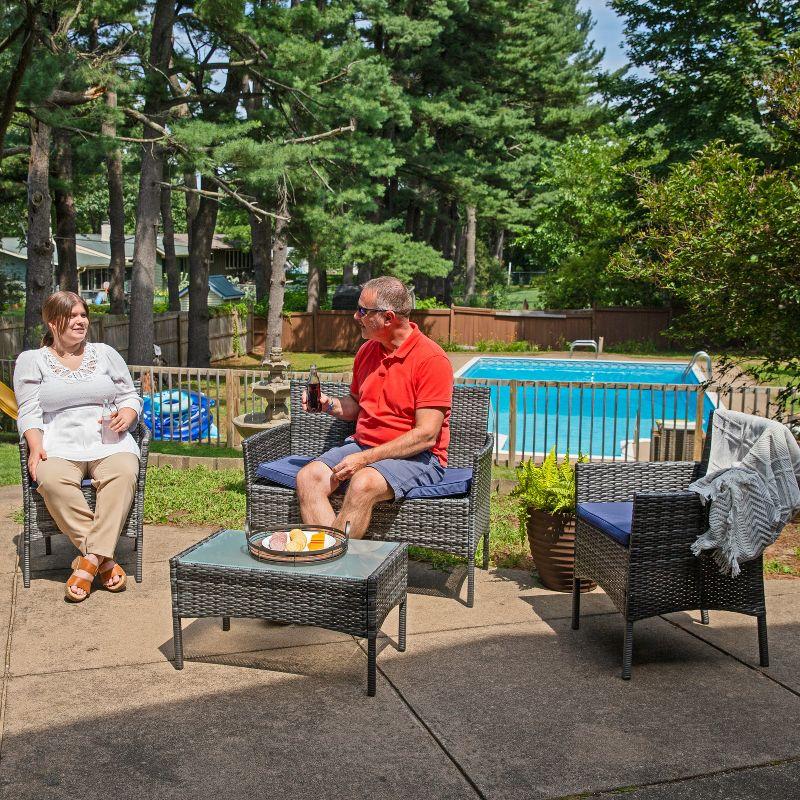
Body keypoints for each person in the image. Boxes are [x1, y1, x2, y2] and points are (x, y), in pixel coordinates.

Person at [296, 276, 454, 539]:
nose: (356, 317)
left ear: (388, 318)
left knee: (362, 482)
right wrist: (329, 404)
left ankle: (332, 570)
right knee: (308, 478)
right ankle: (328, 564)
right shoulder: (367, 351)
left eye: (362, 311)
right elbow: (357, 405)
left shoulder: (431, 360)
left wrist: (364, 460)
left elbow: (426, 436)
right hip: (363, 446)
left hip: (420, 458)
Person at [14, 291, 142, 602]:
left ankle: (87, 563)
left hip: (109, 442)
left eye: (83, 315)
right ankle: (103, 561)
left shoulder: (106, 354)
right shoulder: (32, 361)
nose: (80, 321)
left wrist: (127, 413)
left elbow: (129, 396)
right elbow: (28, 409)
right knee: (50, 479)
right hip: (58, 443)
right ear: (52, 321)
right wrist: (34, 445)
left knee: (125, 472)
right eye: (72, 316)